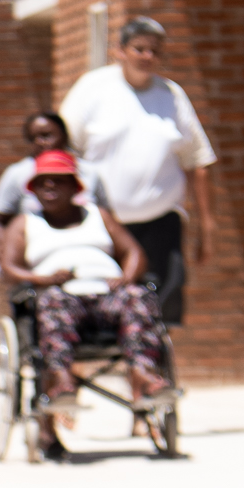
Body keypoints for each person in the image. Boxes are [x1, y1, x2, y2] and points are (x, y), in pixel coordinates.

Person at [0, 149, 171, 459]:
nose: (50, 187)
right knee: (52, 305)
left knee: (140, 297)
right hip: (60, 294)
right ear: (33, 189)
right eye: (43, 182)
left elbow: (134, 253)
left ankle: (143, 375)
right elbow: (8, 267)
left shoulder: (97, 216)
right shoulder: (25, 223)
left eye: (59, 182)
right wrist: (42, 278)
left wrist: (126, 278)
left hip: (107, 294)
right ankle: (61, 380)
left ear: (74, 187)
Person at [58, 17, 214, 328]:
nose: (147, 57)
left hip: (160, 223)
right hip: (104, 224)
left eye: (154, 51)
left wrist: (207, 224)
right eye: (139, 49)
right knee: (98, 304)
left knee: (161, 305)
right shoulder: (93, 89)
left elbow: (197, 160)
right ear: (120, 52)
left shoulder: (171, 95)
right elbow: (64, 149)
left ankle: (150, 370)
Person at [0, 110, 108, 227]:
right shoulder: (17, 173)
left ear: (64, 135)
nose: (40, 142)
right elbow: (0, 220)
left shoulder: (89, 171)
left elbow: (106, 214)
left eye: (46, 135)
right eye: (32, 138)